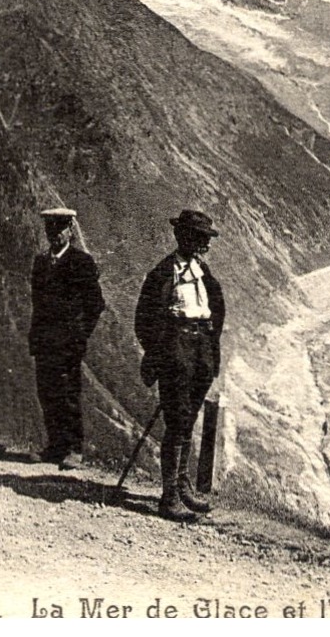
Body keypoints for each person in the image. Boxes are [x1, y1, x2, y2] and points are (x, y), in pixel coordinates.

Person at [134, 209, 225, 522]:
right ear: (183, 237)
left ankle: (183, 484)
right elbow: (144, 320)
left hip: (200, 352)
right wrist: (162, 353)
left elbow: (215, 311)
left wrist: (211, 349)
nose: (206, 245)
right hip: (177, 352)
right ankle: (169, 495)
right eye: (200, 238)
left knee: (188, 420)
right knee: (176, 422)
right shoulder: (163, 273)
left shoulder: (203, 272)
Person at [29, 207, 105, 469]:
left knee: (68, 393)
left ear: (70, 230)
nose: (55, 234)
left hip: (68, 344)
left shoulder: (81, 262)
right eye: (51, 228)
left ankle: (74, 448)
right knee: (47, 393)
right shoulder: (41, 263)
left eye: (60, 228)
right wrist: (35, 337)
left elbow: (95, 304)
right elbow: (37, 304)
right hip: (45, 341)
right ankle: (55, 446)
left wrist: (79, 336)